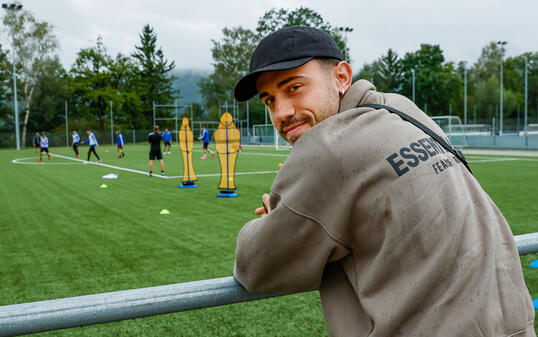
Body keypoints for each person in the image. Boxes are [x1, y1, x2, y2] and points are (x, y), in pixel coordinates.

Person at [232, 26, 535, 337]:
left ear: (341, 77)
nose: (282, 112)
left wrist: (274, 219)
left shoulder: (326, 146)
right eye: (269, 100)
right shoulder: (403, 110)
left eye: (294, 87)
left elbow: (255, 265)